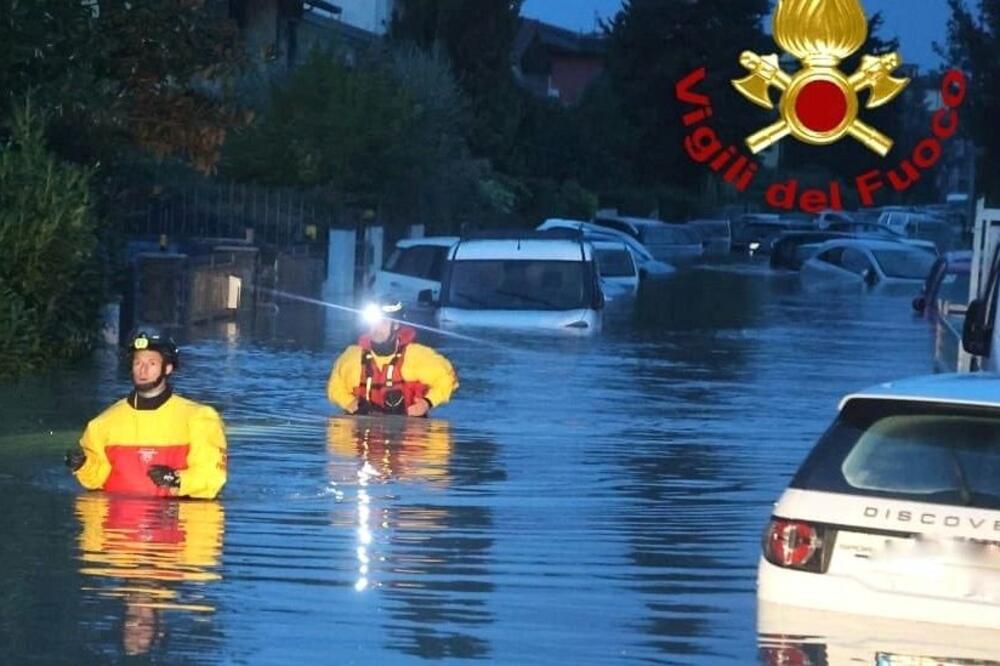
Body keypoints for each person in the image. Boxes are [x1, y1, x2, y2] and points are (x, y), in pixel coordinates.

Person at [64, 328, 228, 499]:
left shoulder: (200, 418)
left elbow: (212, 478)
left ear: (168, 368)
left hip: (179, 512)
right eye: (137, 363)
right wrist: (83, 464)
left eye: (152, 363)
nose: (143, 370)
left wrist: (176, 480)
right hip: (117, 514)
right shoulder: (102, 423)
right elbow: (95, 480)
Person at [327, 300, 458, 417]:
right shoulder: (351, 357)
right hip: (363, 432)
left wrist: (427, 403)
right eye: (373, 322)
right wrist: (348, 402)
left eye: (383, 322)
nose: (377, 328)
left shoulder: (417, 356)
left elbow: (448, 378)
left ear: (395, 325)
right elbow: (335, 387)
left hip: (409, 431)